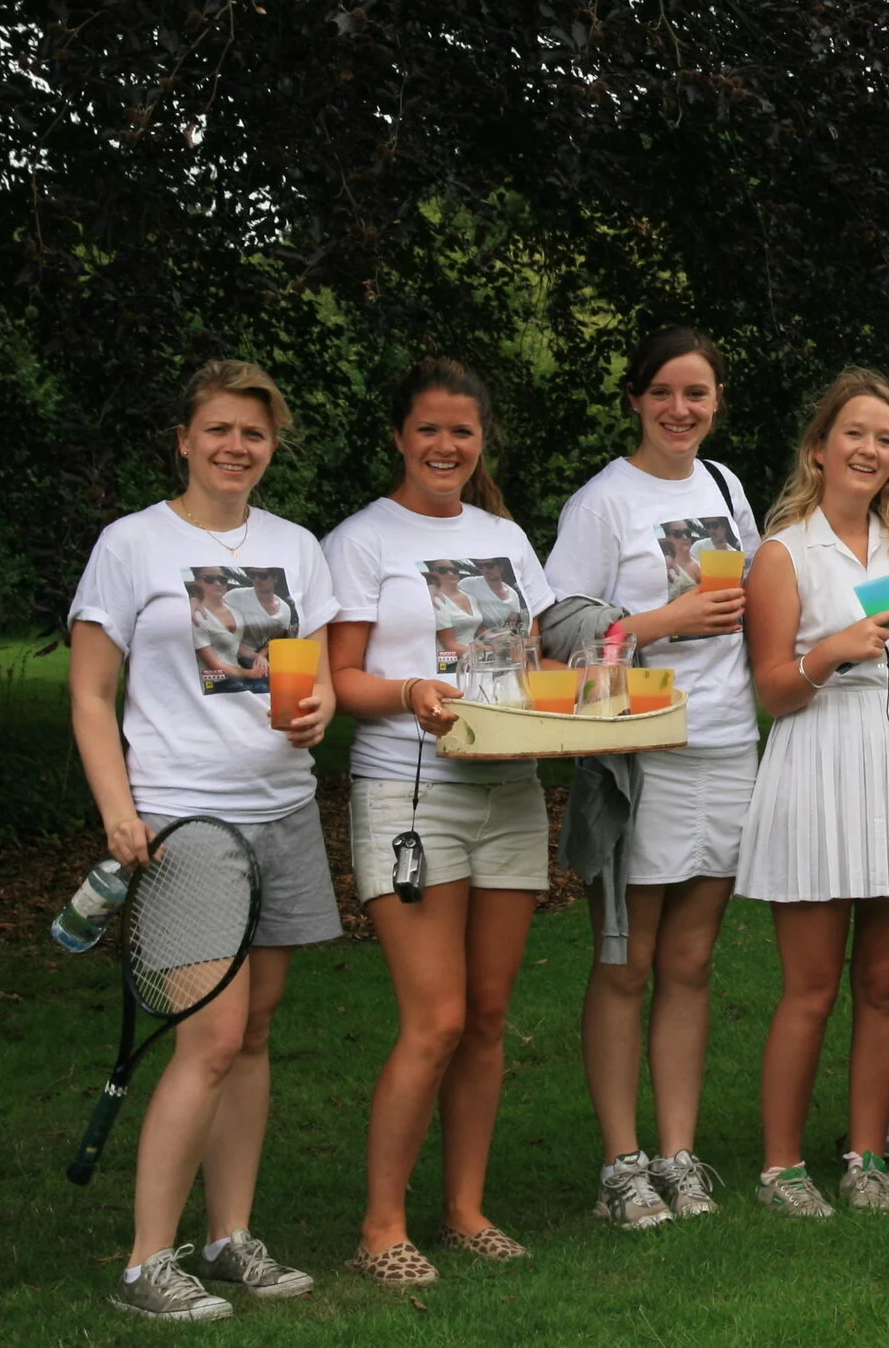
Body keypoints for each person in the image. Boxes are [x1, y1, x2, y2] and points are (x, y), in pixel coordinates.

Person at [68, 360, 339, 1322]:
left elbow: (320, 677)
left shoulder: (298, 546)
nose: (236, 446)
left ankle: (230, 1238)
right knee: (210, 1038)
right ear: (184, 438)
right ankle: (149, 1261)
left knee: (255, 1033)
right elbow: (92, 693)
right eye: (219, 429)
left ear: (272, 447)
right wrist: (118, 808)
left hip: (284, 809)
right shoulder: (132, 543)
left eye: (254, 434)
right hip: (186, 819)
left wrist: (320, 715)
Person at [325, 358, 557, 1285]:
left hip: (509, 788)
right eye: (429, 429)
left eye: (462, 431)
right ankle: (383, 1225)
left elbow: (534, 656)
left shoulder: (504, 533)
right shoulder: (361, 539)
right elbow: (342, 679)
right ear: (399, 436)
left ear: (481, 439)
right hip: (409, 793)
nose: (446, 446)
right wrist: (410, 690)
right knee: (437, 1017)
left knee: (489, 1015)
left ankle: (464, 1207)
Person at [545, 328, 762, 1226]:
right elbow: (557, 630)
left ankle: (679, 1152)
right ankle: (620, 1164)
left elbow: (757, 601)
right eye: (665, 392)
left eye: (698, 394)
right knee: (624, 963)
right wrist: (668, 618)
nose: (682, 409)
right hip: (641, 756)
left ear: (716, 403)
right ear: (636, 397)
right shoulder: (604, 501)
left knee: (691, 961)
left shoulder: (724, 487)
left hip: (727, 744)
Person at [739, 369, 889, 1217]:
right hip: (818, 751)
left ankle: (866, 1153)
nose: (870, 449)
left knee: (888, 980)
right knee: (812, 984)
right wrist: (832, 652)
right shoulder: (784, 552)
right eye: (854, 434)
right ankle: (782, 1166)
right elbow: (774, 689)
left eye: (886, 438)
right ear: (819, 448)